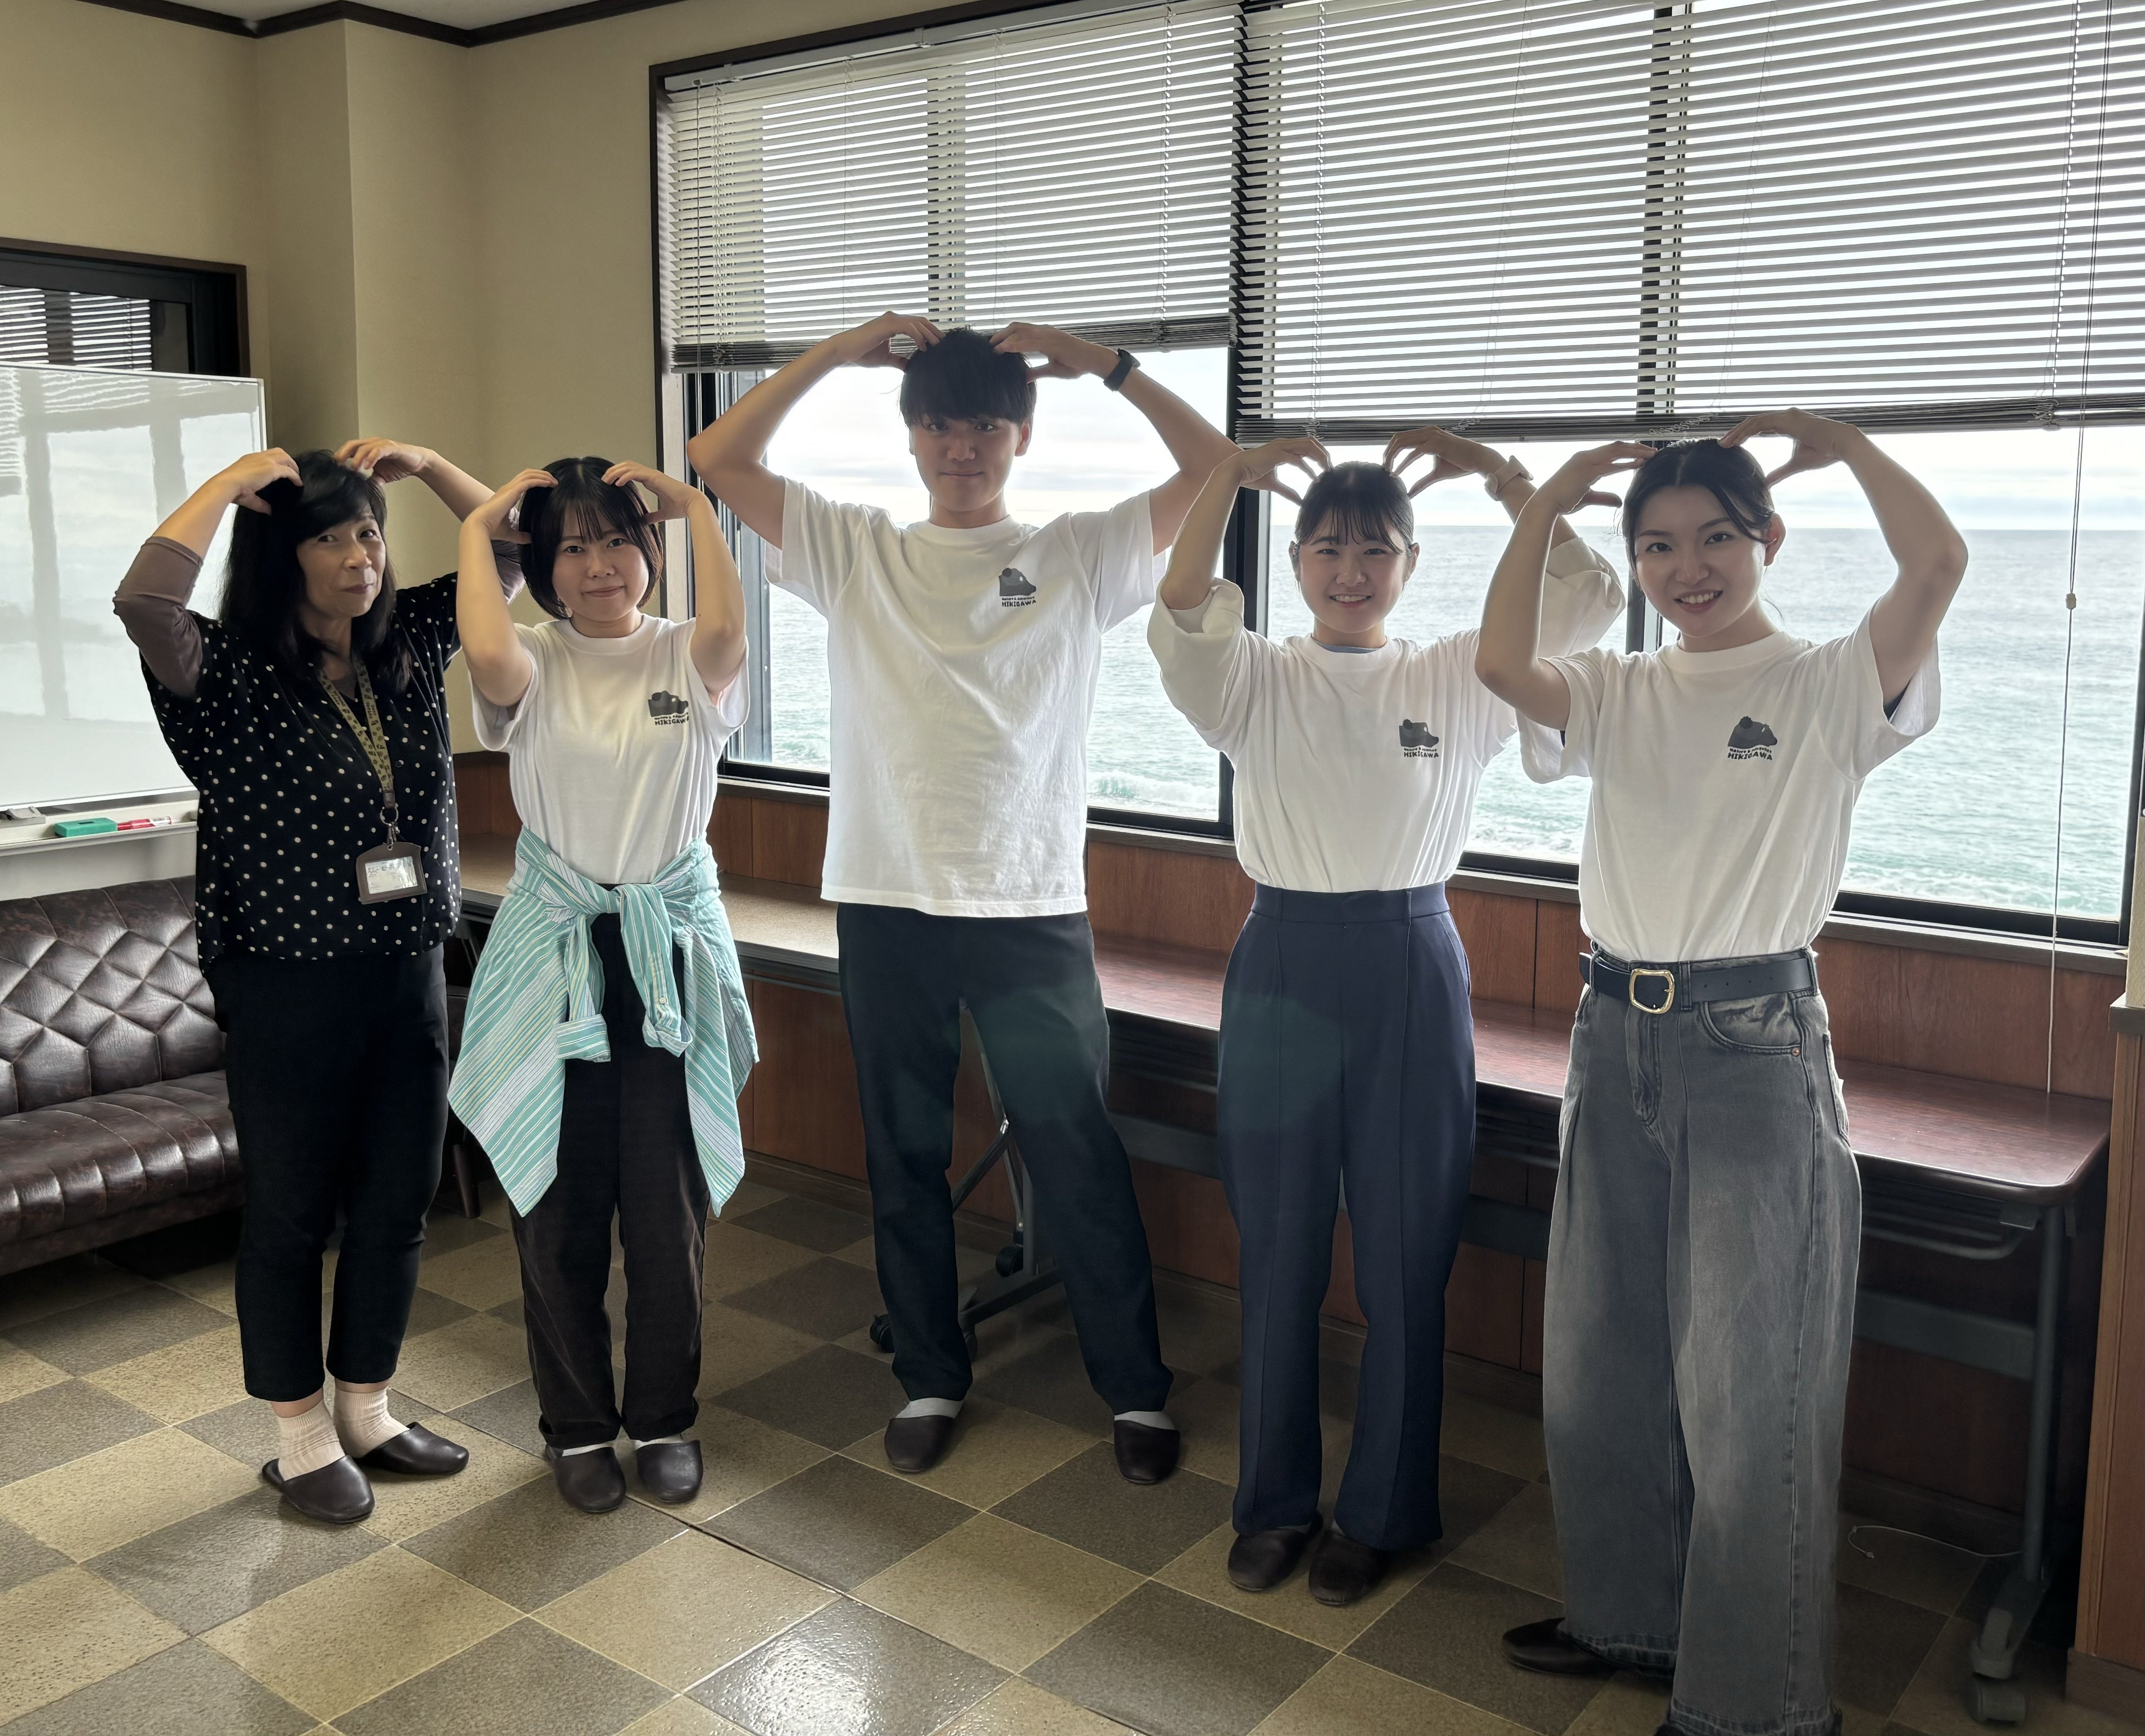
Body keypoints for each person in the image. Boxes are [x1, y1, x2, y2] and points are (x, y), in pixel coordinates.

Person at [1473, 415, 1964, 1736]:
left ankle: (1757, 1705)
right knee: (1602, 1361)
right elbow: (1500, 661)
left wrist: (1843, 439)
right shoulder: (1622, 687)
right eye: (1657, 547)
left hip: (1754, 1045)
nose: (1686, 569)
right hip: (1610, 1028)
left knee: (1753, 1395)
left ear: (1767, 540)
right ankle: (1629, 1618)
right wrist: (1548, 501)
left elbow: (1936, 564)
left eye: (1715, 539)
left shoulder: (1828, 681)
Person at [685, 313, 1237, 1482]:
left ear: (1021, 435)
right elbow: (718, 457)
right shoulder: (857, 548)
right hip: (887, 898)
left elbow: (1212, 465)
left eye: (985, 424)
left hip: (1029, 905)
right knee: (904, 1151)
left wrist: (1107, 365)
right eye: (940, 425)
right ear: (911, 437)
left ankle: (1134, 1391)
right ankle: (930, 1376)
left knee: (1074, 1148)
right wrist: (842, 350)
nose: (962, 448)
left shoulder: (1079, 553)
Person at [1149, 429, 1623, 1605]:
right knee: (1279, 1247)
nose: (1350, 571)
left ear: (1410, 564)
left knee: (1408, 1254)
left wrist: (1507, 480)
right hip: (1282, 963)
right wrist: (1227, 477)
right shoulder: (1255, 676)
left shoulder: (1460, 671)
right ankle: (1272, 1504)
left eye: (1374, 550)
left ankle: (1384, 1513)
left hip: (1411, 961)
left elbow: (1592, 597)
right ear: (1296, 564)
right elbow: (1183, 601)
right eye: (1326, 549)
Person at [114, 437, 514, 1524]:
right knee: (292, 1212)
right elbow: (143, 601)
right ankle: (298, 1435)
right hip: (285, 979)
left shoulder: (408, 640)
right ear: (280, 556)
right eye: (328, 538)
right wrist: (222, 488)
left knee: (398, 1200)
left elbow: (515, 542)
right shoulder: (226, 670)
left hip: (406, 968)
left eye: (368, 533)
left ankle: (366, 1408)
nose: (359, 557)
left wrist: (433, 465)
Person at [447, 457, 756, 1515]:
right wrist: (479, 525)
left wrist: (698, 506)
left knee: (668, 1219)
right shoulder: (531, 662)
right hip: (557, 957)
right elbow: (485, 646)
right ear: (541, 566)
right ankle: (576, 1429)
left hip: (665, 957)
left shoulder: (688, 653)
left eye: (619, 539)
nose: (598, 566)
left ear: (651, 551)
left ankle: (666, 1419)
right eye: (571, 547)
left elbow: (731, 632)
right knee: (557, 1208)